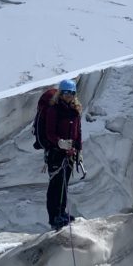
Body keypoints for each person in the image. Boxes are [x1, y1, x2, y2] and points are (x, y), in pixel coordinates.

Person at [44, 78, 83, 229]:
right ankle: (54, 217)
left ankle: (61, 213)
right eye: (66, 92)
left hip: (69, 154)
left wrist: (78, 150)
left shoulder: (75, 111)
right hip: (56, 153)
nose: (68, 96)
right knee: (55, 185)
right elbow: (49, 132)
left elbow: (78, 132)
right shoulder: (54, 110)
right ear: (60, 93)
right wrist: (59, 142)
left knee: (64, 184)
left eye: (71, 93)